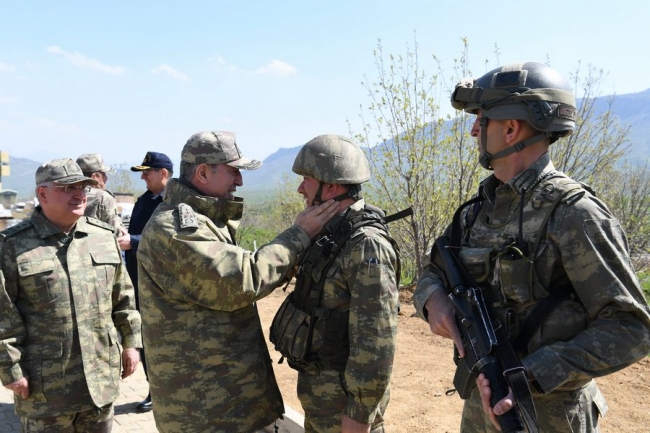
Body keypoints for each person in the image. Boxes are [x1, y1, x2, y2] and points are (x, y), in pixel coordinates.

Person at [413, 61, 650, 432]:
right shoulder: (477, 211)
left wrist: (533, 374)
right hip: (483, 399)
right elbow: (432, 271)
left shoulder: (574, 214)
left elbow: (631, 327)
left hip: (549, 415)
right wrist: (432, 300)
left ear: (510, 129)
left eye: (482, 119)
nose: (474, 130)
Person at [136, 130, 340, 433]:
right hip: (205, 410)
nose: (240, 181)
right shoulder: (176, 228)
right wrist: (300, 234)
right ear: (204, 172)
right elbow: (241, 280)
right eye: (234, 171)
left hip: (223, 401)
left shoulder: (204, 219)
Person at [270, 134, 401, 433]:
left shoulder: (366, 244)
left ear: (330, 185)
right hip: (323, 406)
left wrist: (359, 414)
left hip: (346, 416)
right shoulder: (329, 234)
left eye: (307, 179)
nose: (300, 188)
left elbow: (376, 342)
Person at [0, 158, 142, 432]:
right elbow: (3, 316)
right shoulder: (12, 246)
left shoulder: (102, 237)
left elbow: (123, 298)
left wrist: (131, 344)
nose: (79, 194)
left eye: (83, 187)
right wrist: (11, 371)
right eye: (67, 188)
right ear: (42, 194)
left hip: (100, 380)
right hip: (46, 388)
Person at [117, 151, 173, 413]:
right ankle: (156, 390)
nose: (142, 177)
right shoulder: (144, 201)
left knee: (166, 343)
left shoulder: (177, 203)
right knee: (147, 340)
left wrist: (135, 242)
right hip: (140, 282)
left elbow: (176, 242)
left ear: (163, 174)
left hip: (166, 288)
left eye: (147, 173)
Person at [76, 152, 127, 236]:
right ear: (94, 177)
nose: (106, 178)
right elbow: (117, 232)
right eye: (103, 174)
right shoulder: (103, 197)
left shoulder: (65, 194)